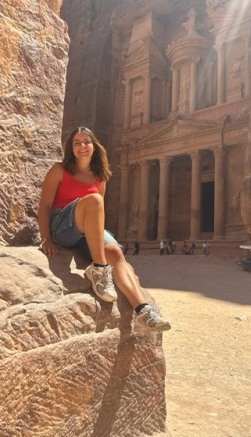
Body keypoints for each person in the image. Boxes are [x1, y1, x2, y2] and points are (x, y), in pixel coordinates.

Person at [38, 126, 170, 333]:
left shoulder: (100, 176)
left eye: (86, 142)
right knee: (95, 200)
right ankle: (99, 270)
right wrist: (46, 237)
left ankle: (144, 312)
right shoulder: (59, 170)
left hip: (84, 230)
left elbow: (96, 212)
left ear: (94, 146)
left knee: (116, 253)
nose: (82, 146)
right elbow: (45, 205)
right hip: (62, 226)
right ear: (71, 148)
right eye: (77, 142)